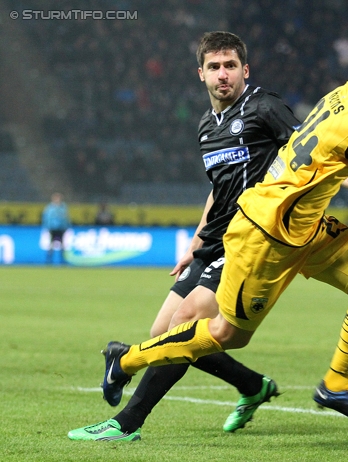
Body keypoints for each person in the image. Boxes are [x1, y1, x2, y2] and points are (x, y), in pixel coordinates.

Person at [98, 30, 348, 429]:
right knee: (223, 334)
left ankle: (335, 385)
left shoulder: (334, 96)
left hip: (305, 226)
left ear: (244, 70)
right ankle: (128, 359)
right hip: (266, 234)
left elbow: (311, 147)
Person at [69, 31, 303, 442]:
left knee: (185, 325)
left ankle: (127, 423)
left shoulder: (265, 107)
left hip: (247, 238)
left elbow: (310, 151)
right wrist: (195, 243)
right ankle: (252, 386)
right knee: (166, 336)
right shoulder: (205, 126)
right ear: (201, 74)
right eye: (214, 67)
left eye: (230, 66)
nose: (223, 74)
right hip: (212, 243)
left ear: (245, 70)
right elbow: (218, 189)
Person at [42, 192, 71, 264]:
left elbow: (66, 218)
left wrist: (66, 226)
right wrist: (47, 226)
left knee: (63, 245)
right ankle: (49, 260)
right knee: (51, 244)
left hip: (61, 228)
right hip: (52, 228)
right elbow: (46, 218)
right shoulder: (49, 208)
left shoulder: (63, 207)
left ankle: (63, 260)